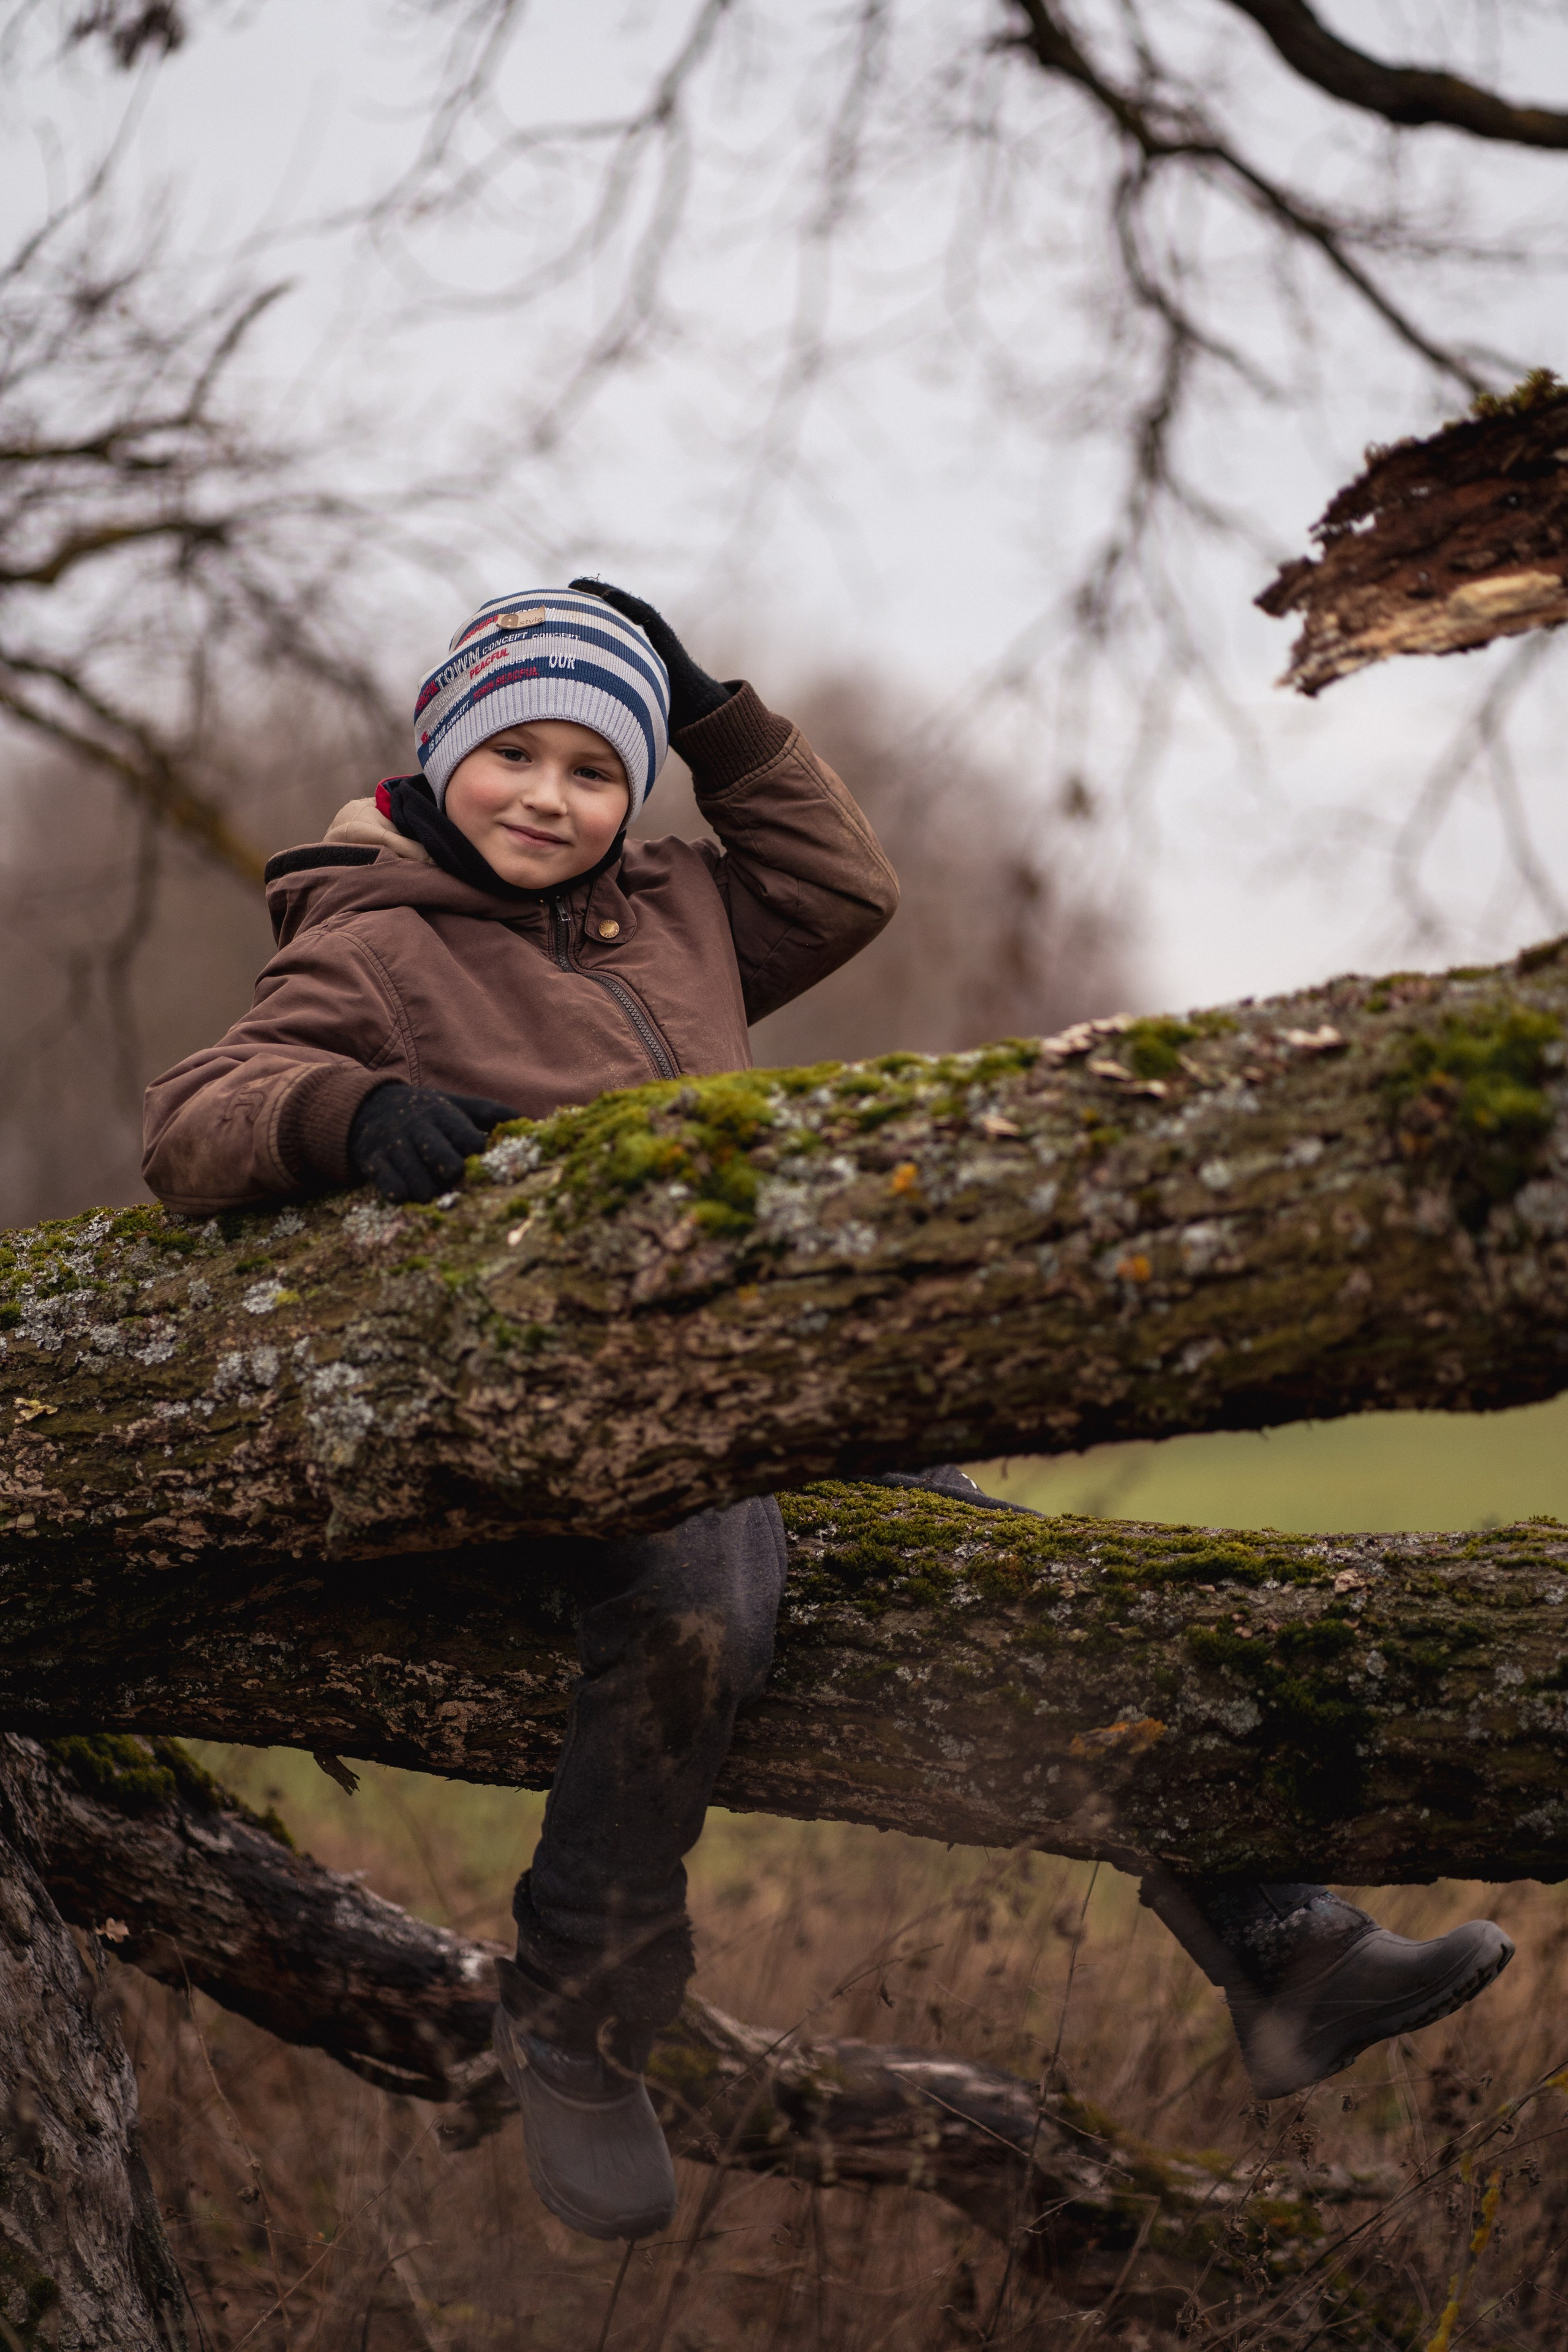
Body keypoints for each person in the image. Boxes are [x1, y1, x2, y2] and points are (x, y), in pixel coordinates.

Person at [143, 586, 1512, 2247]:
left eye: (596, 766)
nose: (551, 798)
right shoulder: (379, 935)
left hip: (760, 1385)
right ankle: (579, 2023)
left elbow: (841, 884)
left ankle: (1277, 1939)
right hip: (566, 1423)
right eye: (515, 755)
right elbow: (195, 1120)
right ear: (443, 752)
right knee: (701, 1599)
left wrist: (715, 709)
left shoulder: (676, 905)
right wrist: (348, 1112)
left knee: (992, 1575)